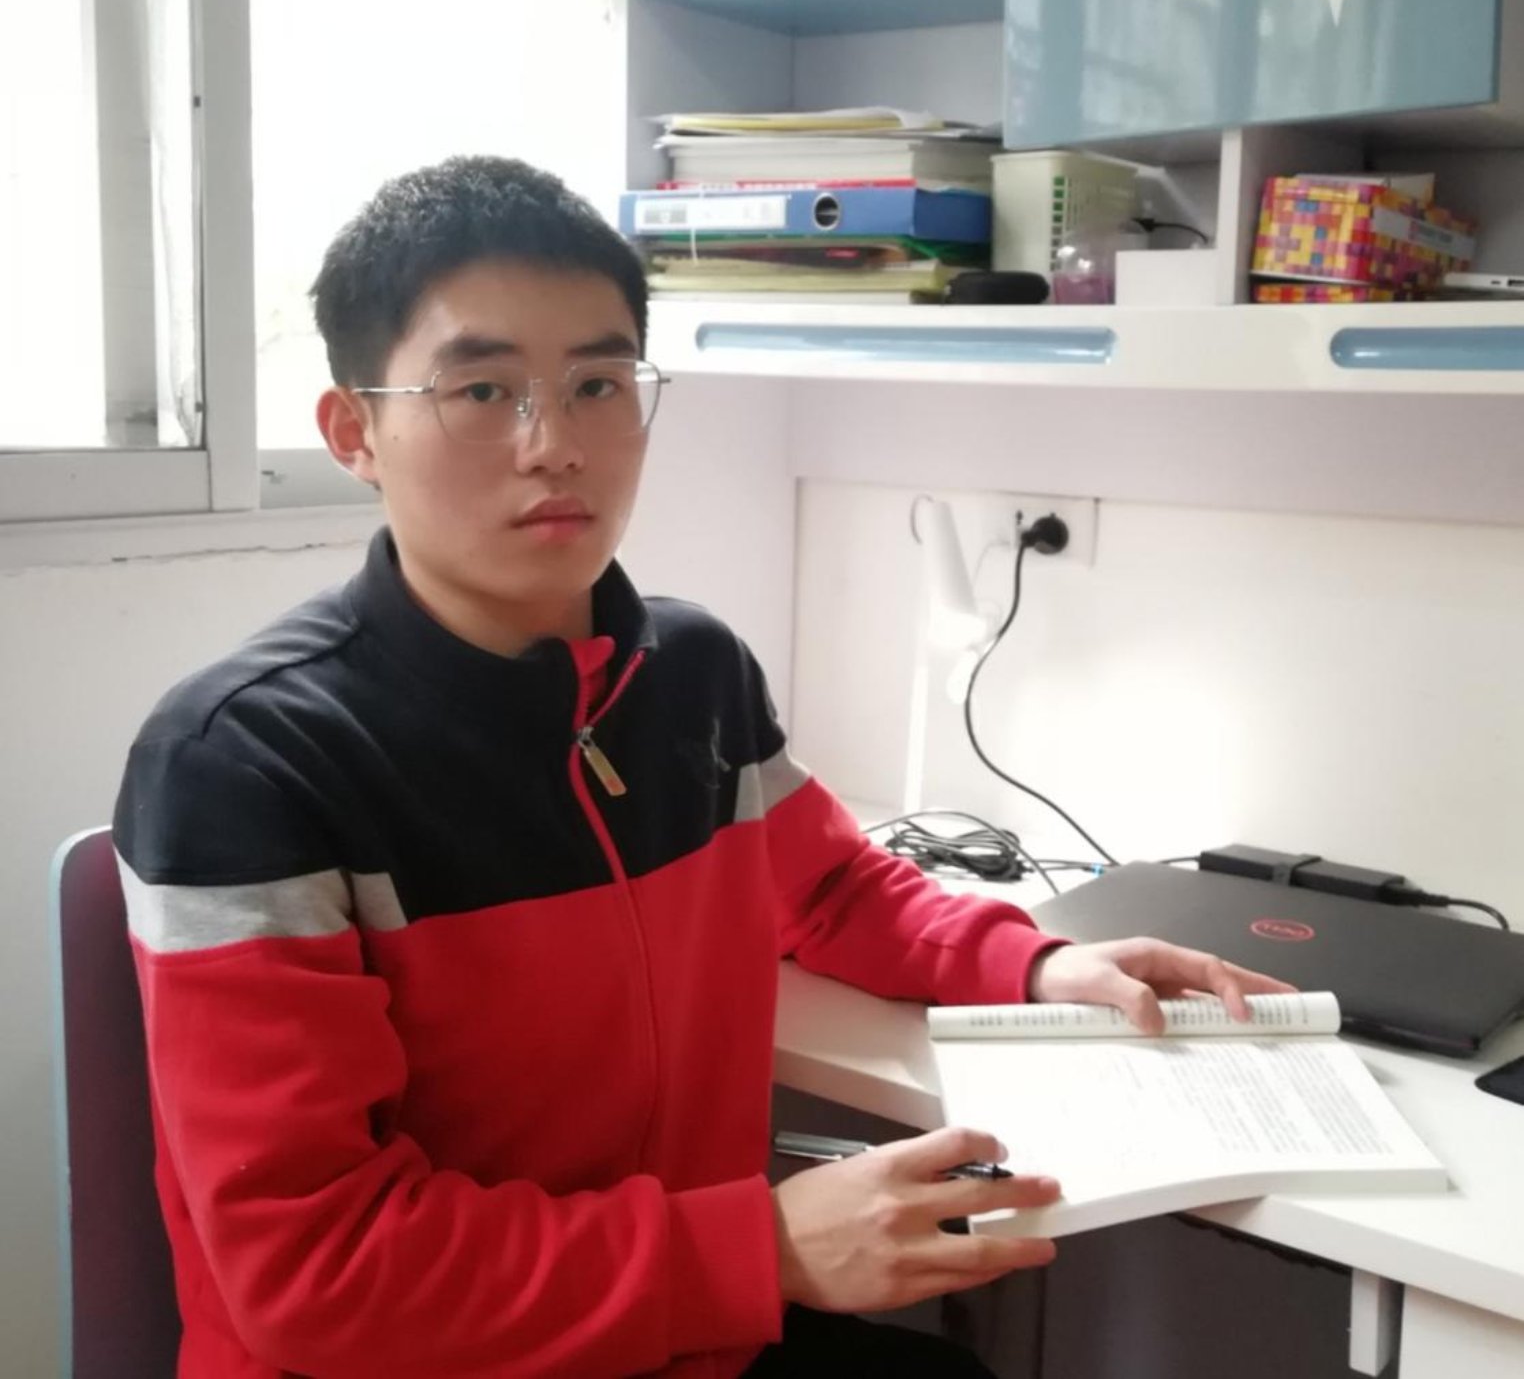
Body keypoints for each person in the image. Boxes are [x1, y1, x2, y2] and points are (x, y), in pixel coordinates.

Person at [114, 156, 1293, 1379]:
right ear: (354, 430)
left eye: (598, 383)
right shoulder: (246, 766)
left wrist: (1038, 962)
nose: (554, 446)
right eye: (482, 390)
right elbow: (316, 1270)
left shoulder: (691, 674)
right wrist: (760, 1249)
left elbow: (831, 887)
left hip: (681, 1337)